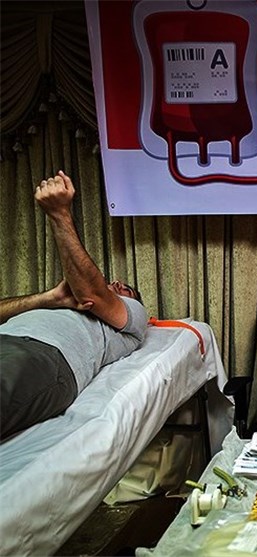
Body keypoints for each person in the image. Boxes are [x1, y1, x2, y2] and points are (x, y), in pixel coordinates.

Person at [0, 171, 148, 440]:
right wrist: (48, 299)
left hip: (44, 355)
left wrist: (59, 213)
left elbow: (93, 293)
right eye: (112, 281)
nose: (116, 283)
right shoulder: (59, 303)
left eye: (124, 288)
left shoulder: (135, 317)